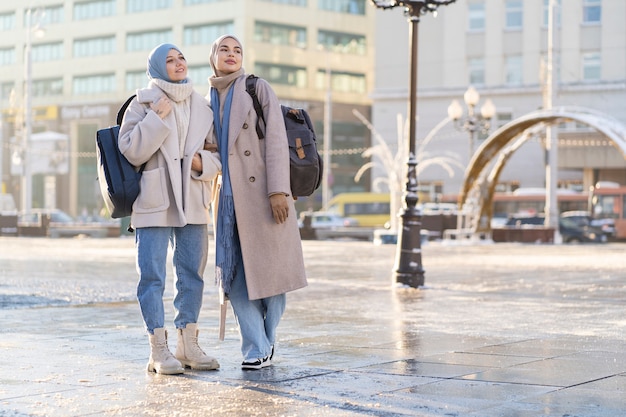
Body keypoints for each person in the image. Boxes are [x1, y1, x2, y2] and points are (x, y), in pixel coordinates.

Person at [118, 43, 222, 375]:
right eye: (169, 60)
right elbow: (131, 150)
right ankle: (158, 349)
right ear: (157, 68)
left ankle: (187, 344)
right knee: (152, 277)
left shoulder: (203, 106)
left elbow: (218, 156)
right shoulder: (141, 103)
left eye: (181, 58)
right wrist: (155, 117)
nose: (178, 63)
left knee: (192, 273)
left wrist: (200, 162)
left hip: (192, 198)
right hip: (153, 200)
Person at [207, 34, 307, 370]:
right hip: (230, 202)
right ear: (213, 57)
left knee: (273, 275)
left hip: (264, 194)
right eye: (224, 49)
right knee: (234, 275)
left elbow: (277, 138)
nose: (231, 54)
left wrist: (278, 190)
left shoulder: (256, 87)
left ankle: (266, 336)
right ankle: (255, 345)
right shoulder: (208, 99)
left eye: (237, 50)